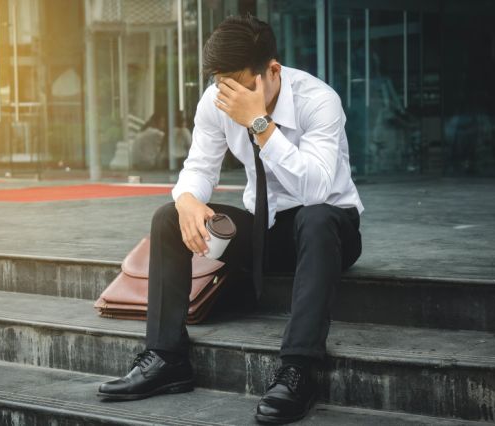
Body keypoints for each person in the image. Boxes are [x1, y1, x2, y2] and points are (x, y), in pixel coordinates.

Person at [98, 14, 364, 425]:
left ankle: (299, 370)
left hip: (331, 232)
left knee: (314, 217)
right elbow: (200, 167)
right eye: (222, 83)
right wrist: (187, 199)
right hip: (265, 233)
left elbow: (316, 189)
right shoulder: (215, 100)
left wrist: (260, 124)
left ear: (272, 71)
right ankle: (167, 358)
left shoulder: (319, 100)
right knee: (169, 217)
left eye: (239, 83)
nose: (229, 94)